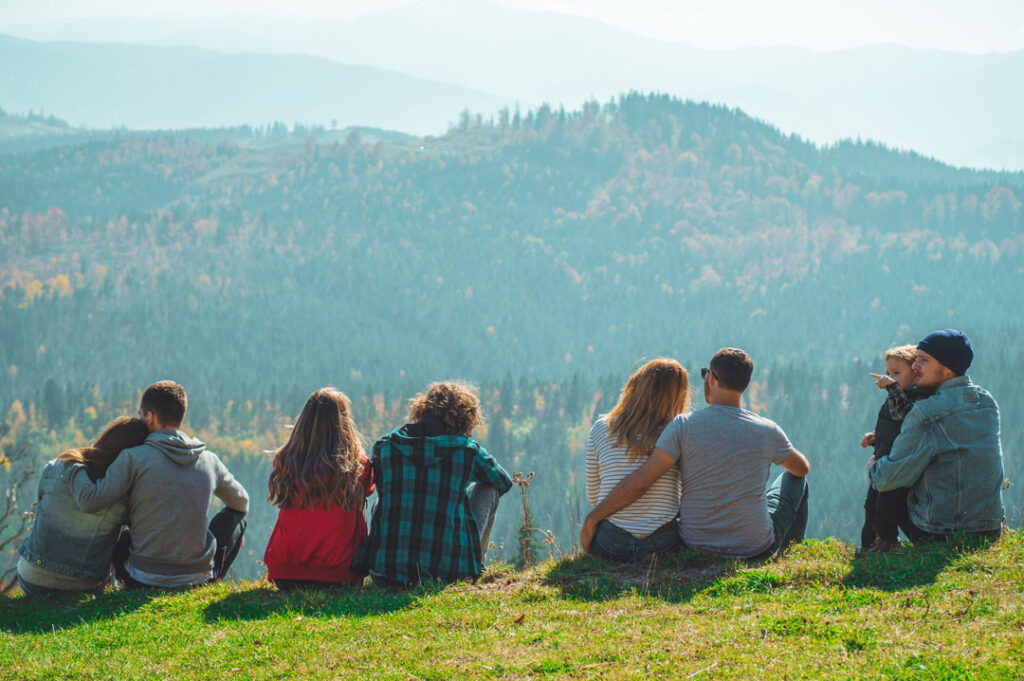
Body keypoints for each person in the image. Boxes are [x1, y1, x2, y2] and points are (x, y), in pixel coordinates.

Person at [581, 347, 810, 560]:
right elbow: (801, 468)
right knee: (797, 480)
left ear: (711, 378)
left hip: (685, 544)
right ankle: (791, 557)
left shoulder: (682, 426)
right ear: (746, 384)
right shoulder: (767, 430)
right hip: (751, 547)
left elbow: (639, 481)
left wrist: (593, 518)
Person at [68, 381, 249, 588]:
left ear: (150, 416)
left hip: (141, 579)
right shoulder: (209, 460)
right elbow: (241, 502)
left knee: (121, 527)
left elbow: (91, 501)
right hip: (198, 579)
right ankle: (211, 579)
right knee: (235, 518)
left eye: (141, 414)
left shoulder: (132, 458)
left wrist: (75, 464)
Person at [352, 381, 513, 586]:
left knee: (382, 501)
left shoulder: (385, 446)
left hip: (385, 575)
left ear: (422, 410)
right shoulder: (467, 451)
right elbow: (503, 482)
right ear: (465, 419)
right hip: (446, 575)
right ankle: (475, 567)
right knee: (488, 489)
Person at [870, 329, 1005, 542]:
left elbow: (889, 478)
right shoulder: (987, 402)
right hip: (990, 529)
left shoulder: (926, 412)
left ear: (947, 368)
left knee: (890, 471)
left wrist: (873, 468)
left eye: (923, 361)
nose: (914, 366)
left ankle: (882, 542)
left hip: (939, 533)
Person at [17, 417, 149, 596]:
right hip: (84, 585)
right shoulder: (124, 495)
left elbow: (39, 513)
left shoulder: (56, 467)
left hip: (33, 579)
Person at [263, 388, 374, 590]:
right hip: (339, 575)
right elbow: (366, 493)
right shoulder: (358, 466)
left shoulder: (285, 461)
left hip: (285, 573)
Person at [585, 358, 689, 562]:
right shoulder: (678, 432)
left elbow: (594, 496)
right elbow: (686, 495)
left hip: (610, 540)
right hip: (662, 542)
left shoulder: (602, 428)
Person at [858, 344, 932, 551]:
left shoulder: (915, 398)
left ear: (915, 373)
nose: (891, 376)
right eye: (889, 372)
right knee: (870, 506)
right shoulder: (898, 397)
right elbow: (894, 427)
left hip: (896, 463)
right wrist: (875, 438)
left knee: (886, 507)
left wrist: (892, 387)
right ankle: (868, 545)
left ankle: (888, 542)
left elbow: (903, 415)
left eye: (897, 373)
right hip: (882, 460)